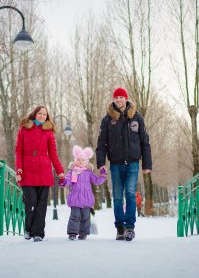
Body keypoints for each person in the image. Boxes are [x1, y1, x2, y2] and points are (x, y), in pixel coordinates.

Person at [96, 87, 152, 241]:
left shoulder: (136, 118)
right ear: (113, 100)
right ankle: (120, 228)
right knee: (118, 197)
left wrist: (147, 164)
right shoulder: (107, 119)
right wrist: (101, 163)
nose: (119, 100)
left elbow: (144, 142)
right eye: (116, 97)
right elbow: (101, 143)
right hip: (115, 164)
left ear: (126, 98)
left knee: (130, 194)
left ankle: (130, 227)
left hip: (133, 163)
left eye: (121, 97)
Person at [15, 105, 65, 242]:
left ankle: (38, 233)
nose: (42, 116)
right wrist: (18, 168)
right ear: (35, 114)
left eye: (45, 114)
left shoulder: (48, 132)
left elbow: (53, 154)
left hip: (44, 171)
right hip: (28, 171)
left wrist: (60, 172)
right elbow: (18, 151)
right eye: (40, 113)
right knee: (30, 202)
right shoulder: (24, 130)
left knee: (41, 204)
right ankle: (28, 229)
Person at [58, 145, 106, 240]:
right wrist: (63, 182)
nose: (80, 161)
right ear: (75, 160)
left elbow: (96, 181)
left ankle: (83, 233)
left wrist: (102, 175)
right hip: (75, 198)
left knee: (85, 217)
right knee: (75, 216)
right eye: (78, 159)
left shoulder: (89, 173)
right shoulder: (72, 171)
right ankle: (72, 232)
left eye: (82, 160)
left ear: (86, 161)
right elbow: (67, 180)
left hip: (86, 199)